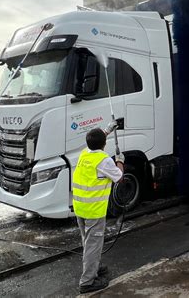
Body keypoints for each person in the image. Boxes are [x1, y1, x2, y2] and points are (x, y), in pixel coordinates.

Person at [73, 124, 124, 294]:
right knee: (93, 245)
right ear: (104, 144)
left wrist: (108, 130)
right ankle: (87, 282)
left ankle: (93, 266)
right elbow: (119, 177)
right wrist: (120, 161)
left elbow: (96, 138)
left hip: (80, 207)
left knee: (88, 242)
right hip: (94, 210)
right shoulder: (104, 160)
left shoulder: (84, 153)